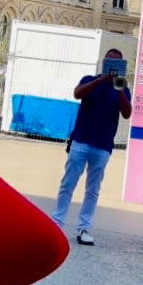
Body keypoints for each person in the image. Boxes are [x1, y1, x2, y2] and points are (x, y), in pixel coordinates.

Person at [53, 49, 132, 245]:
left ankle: (84, 228)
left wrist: (119, 89)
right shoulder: (90, 79)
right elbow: (77, 93)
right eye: (109, 61)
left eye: (116, 63)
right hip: (81, 140)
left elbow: (127, 113)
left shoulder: (122, 87)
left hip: (103, 145)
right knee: (68, 183)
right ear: (103, 63)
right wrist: (100, 80)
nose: (112, 65)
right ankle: (57, 222)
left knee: (93, 189)